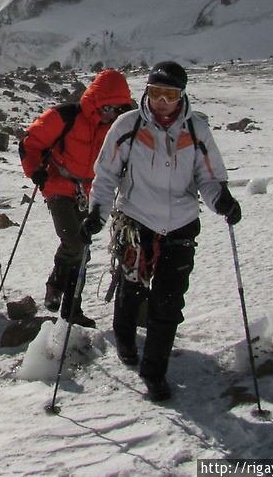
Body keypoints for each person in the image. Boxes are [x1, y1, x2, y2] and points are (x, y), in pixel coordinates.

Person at [82, 61, 242, 402]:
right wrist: (97, 212)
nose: (162, 102)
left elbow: (209, 177)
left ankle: (154, 371)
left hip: (182, 223)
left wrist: (222, 201)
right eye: (156, 93)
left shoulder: (196, 130)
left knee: (168, 302)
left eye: (170, 94)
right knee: (132, 287)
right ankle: (124, 337)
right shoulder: (128, 125)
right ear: (147, 92)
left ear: (182, 95)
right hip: (136, 220)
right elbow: (107, 173)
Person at [20, 69, 133, 326]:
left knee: (82, 249)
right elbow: (31, 141)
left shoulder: (117, 129)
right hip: (58, 185)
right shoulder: (66, 116)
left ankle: (71, 307)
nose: (111, 113)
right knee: (74, 242)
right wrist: (36, 169)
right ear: (95, 101)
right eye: (107, 107)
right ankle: (57, 289)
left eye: (118, 109)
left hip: (90, 191)